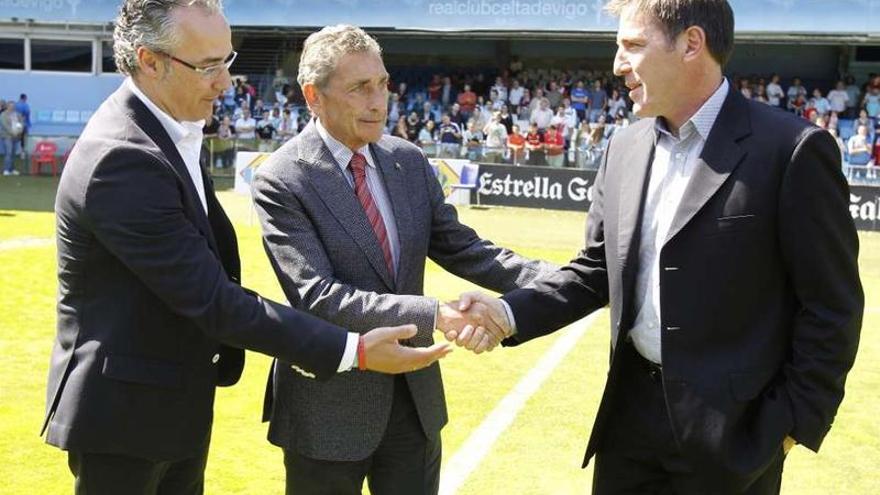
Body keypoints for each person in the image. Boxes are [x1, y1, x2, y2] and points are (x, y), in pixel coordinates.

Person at [458, 1, 863, 493]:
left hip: (735, 435)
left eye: (632, 46)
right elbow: (597, 270)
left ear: (692, 43)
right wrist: (507, 313)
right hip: (628, 423)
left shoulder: (792, 150)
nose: (617, 64)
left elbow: (832, 306)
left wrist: (791, 425)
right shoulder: (623, 147)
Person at [44, 4, 450, 493]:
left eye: (227, 61)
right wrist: (355, 350)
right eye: (208, 66)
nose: (226, 83)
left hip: (170, 404)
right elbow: (215, 300)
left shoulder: (167, 132)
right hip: (125, 418)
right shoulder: (123, 157)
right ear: (150, 61)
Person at [251, 24, 553, 495]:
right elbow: (318, 296)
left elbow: (463, 247)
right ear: (314, 96)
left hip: (414, 403)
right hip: (328, 409)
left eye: (383, 83)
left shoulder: (407, 160)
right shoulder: (282, 179)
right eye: (360, 88)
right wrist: (435, 314)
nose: (379, 100)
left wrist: (563, 281)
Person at [0, 100, 23, 175]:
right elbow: (5, 125)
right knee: (8, 153)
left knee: (13, 153)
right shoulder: (3, 115)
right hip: (7, 136)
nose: (12, 107)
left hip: (16, 136)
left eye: (13, 106)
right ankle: (6, 169)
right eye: (10, 106)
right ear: (7, 106)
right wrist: (12, 132)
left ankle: (12, 169)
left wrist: (19, 131)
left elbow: (20, 123)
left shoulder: (17, 114)